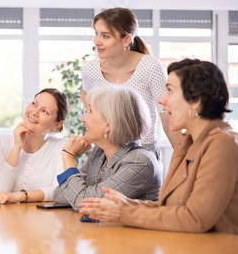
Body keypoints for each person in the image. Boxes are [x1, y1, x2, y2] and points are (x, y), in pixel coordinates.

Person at [79, 59, 238, 234]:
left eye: (170, 90)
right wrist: (127, 204)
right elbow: (169, 207)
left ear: (195, 100)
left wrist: (124, 212)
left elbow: (195, 218)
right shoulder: (188, 142)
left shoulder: (222, 144)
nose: (161, 100)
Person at [81, 7, 181, 158]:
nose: (97, 41)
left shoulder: (149, 67)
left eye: (105, 36)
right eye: (96, 34)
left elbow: (166, 116)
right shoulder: (91, 70)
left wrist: (185, 160)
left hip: (142, 154)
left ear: (126, 39)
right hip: (106, 153)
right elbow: (87, 97)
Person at [54, 87, 162, 208]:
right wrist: (82, 192)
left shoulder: (140, 161)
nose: (83, 119)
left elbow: (83, 203)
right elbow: (58, 194)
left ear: (109, 123)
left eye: (90, 111)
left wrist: (68, 157)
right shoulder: (99, 153)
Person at [0, 88, 69, 204]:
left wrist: (20, 196)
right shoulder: (3, 142)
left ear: (57, 124)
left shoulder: (62, 147)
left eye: (44, 111)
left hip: (45, 219)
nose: (34, 112)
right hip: (8, 219)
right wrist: (17, 147)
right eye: (34, 104)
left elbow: (59, 190)